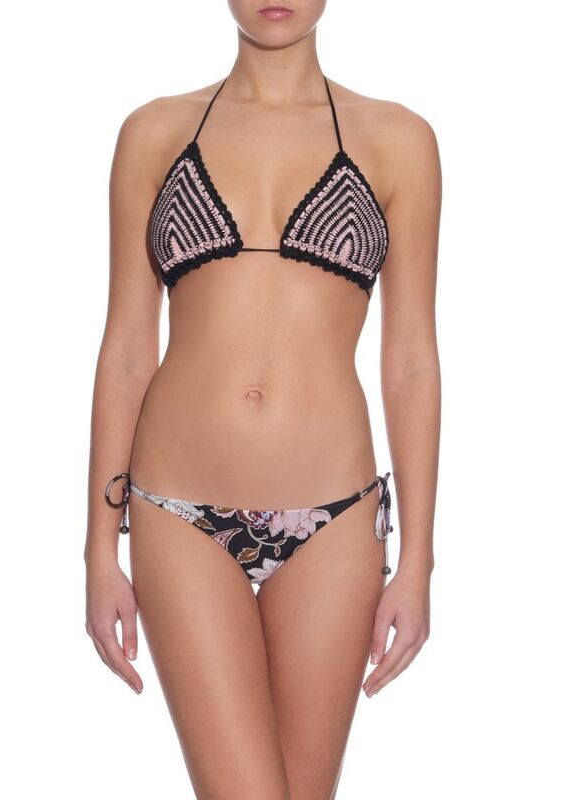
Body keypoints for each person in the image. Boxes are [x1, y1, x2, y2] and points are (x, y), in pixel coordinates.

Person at [84, 1, 442, 797]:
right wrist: (98, 551)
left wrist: (418, 559)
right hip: (177, 510)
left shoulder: (398, 139)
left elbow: (412, 361)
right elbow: (128, 350)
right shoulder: (153, 132)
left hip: (335, 521)